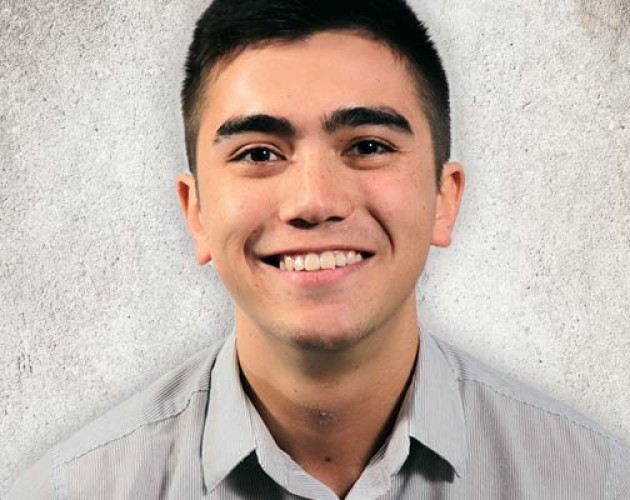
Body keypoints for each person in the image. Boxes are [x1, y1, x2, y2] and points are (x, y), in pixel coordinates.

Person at [8, 0, 629, 498]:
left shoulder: (598, 481)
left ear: (445, 197)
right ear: (195, 212)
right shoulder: (68, 489)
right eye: (258, 154)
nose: (314, 200)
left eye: (367, 146)